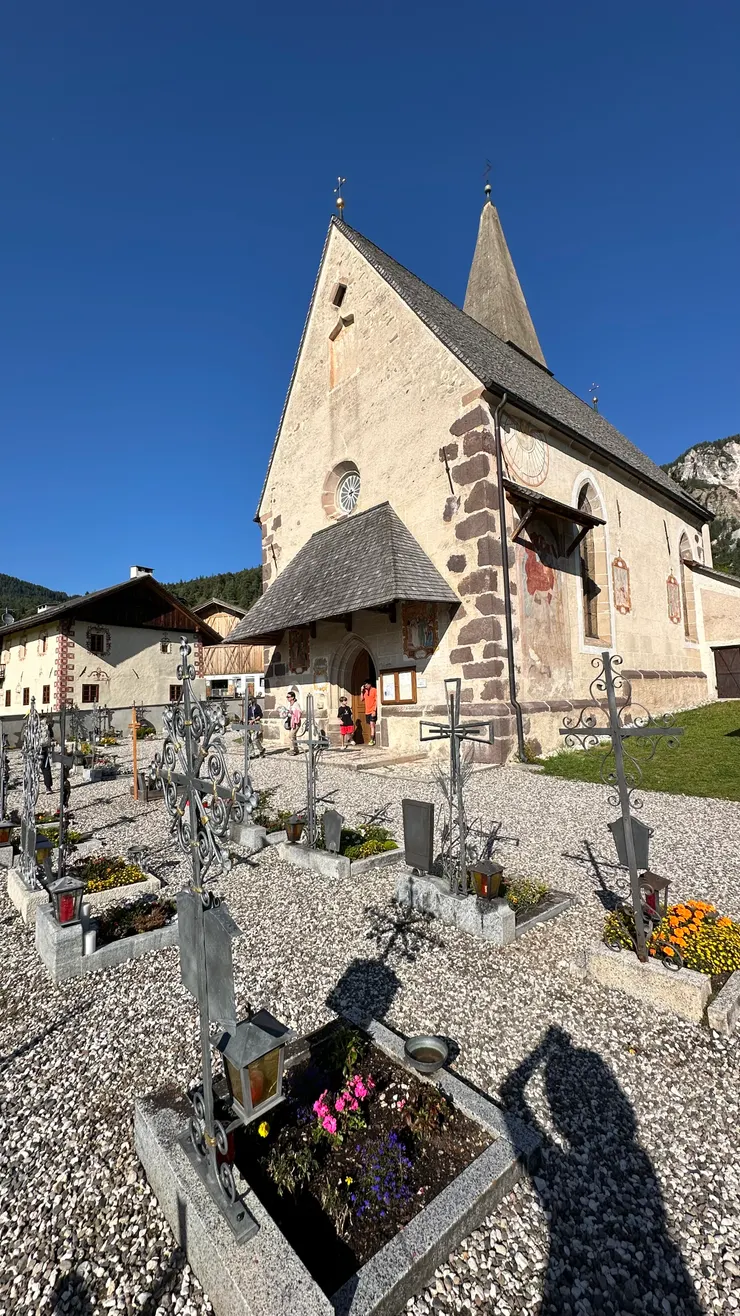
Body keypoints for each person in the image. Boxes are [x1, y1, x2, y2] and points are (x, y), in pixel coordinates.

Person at [39, 715, 54, 793]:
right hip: (44, 748)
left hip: (35, 749)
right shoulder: (47, 726)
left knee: (33, 768)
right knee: (46, 767)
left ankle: (31, 788)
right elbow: (51, 735)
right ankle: (48, 787)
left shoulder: (34, 725)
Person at [361, 681, 378, 746]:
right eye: (365, 685)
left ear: (370, 684)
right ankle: (373, 738)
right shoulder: (365, 691)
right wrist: (362, 691)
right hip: (367, 711)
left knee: (372, 725)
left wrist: (374, 710)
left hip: (372, 710)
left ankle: (372, 740)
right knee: (370, 725)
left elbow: (376, 700)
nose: (366, 686)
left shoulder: (374, 690)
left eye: (366, 685)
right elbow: (362, 699)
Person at [285, 691, 302, 755]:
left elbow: (300, 712)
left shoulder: (296, 704)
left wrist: (293, 712)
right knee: (293, 736)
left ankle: (292, 749)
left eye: (288, 697)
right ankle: (296, 749)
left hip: (296, 722)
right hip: (292, 721)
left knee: (291, 735)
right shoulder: (291, 704)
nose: (287, 698)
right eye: (287, 697)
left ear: (292, 697)